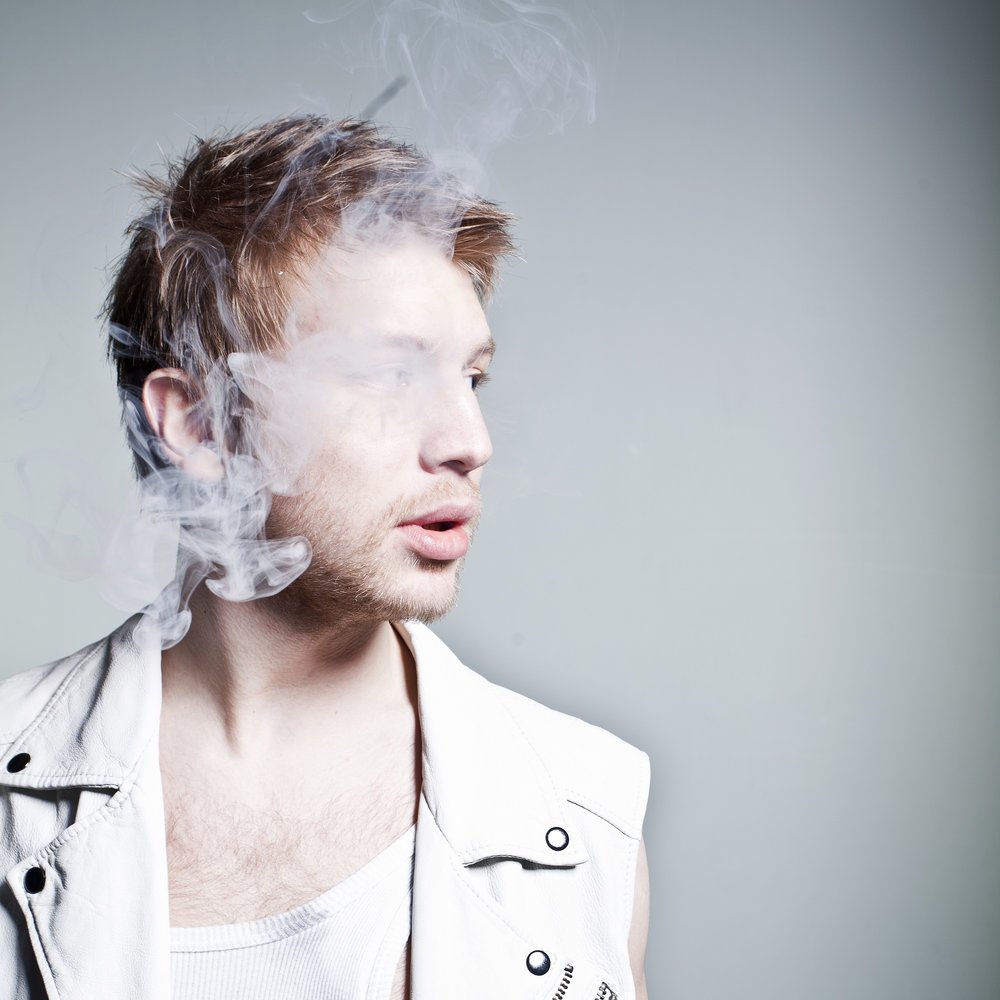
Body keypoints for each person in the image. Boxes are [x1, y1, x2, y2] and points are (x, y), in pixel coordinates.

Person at [0, 116, 650, 1000]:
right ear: (198, 423)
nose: (470, 441)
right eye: (391, 376)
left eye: (472, 377)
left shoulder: (584, 816)